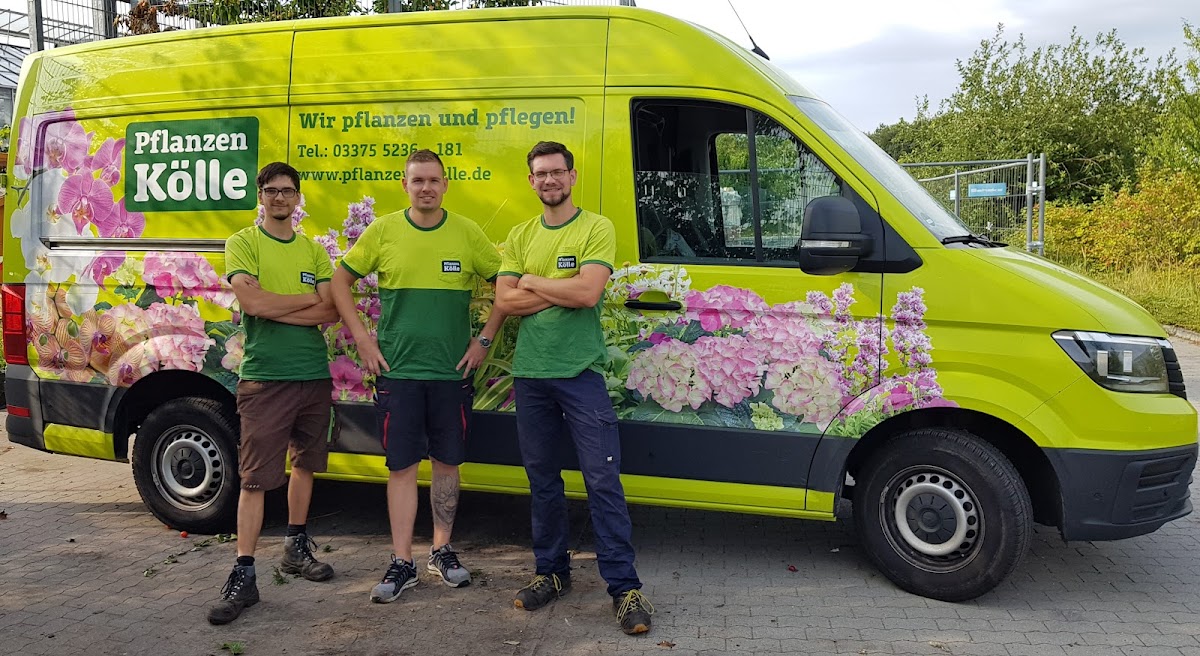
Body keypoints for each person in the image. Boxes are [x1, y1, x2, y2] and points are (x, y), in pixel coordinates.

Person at [331, 149, 506, 603]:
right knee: (402, 467)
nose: (426, 187)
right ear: (405, 185)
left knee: (448, 464)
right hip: (399, 373)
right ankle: (402, 561)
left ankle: (441, 551)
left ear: (445, 185)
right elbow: (339, 282)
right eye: (418, 180)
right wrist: (363, 340)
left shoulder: (467, 233)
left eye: (433, 180)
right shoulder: (384, 231)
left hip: (451, 374)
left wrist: (483, 340)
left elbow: (506, 286)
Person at [494, 141, 654, 635]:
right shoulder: (520, 234)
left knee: (602, 480)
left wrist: (532, 282)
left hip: (581, 375)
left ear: (572, 176)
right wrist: (557, 286)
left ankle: (624, 589)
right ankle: (551, 573)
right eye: (541, 173)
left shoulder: (595, 227)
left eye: (557, 172)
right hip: (531, 376)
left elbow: (588, 293)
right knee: (542, 481)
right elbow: (505, 301)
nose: (549, 180)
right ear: (531, 180)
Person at [209, 162, 340, 625]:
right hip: (266, 379)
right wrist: (302, 301)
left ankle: (295, 548)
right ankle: (243, 574)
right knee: (255, 479)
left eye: (287, 190)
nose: (280, 197)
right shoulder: (244, 243)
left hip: (312, 375)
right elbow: (252, 302)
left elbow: (331, 311)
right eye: (271, 190)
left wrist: (274, 305)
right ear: (260, 196)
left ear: (298, 197)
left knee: (305, 464)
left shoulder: (313, 251)